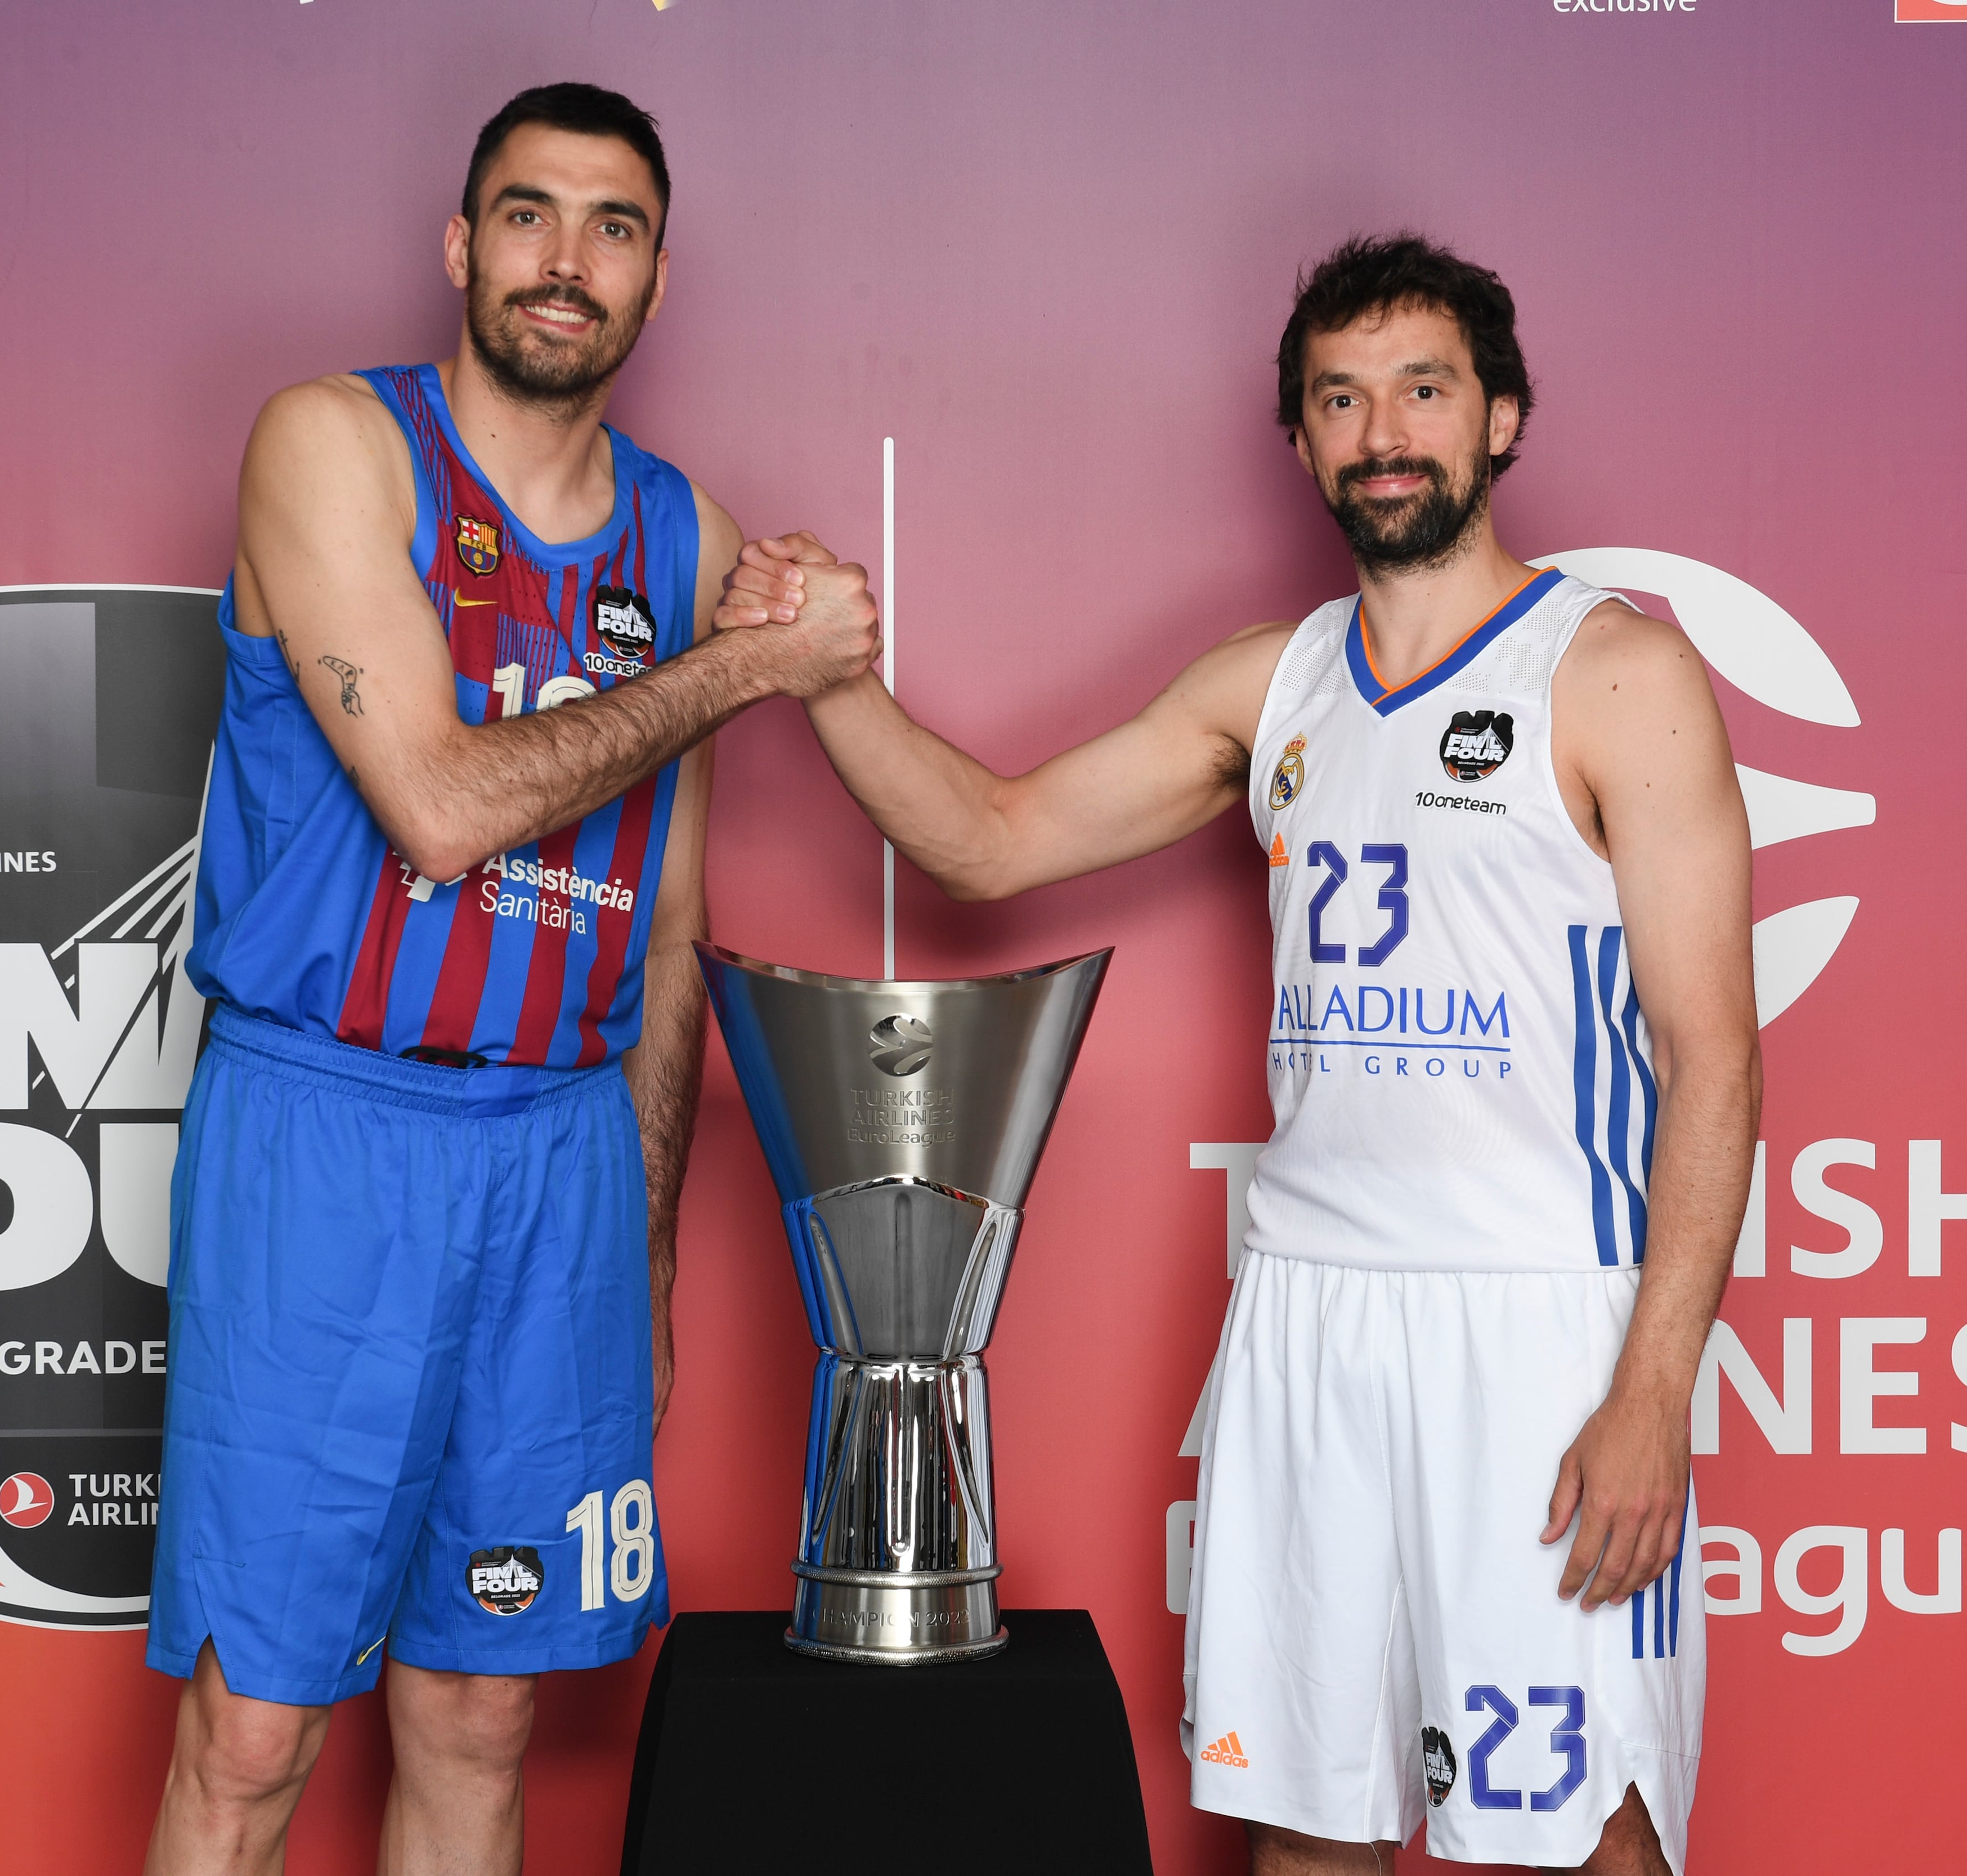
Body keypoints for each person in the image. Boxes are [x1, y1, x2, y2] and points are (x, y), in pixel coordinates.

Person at [717, 234, 1758, 1874]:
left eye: (1423, 389)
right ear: (1302, 443)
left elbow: (1714, 1064)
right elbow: (989, 840)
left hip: (1537, 1327)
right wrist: (823, 679)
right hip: (1308, 1323)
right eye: (1340, 400)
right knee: (1303, 1831)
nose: (1382, 431)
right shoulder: (1270, 690)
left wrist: (1652, 1387)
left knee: (1580, 1844)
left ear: (1503, 419)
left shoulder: (1622, 674)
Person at [142, 83, 876, 1875]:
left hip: (556, 1158)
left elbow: (670, 916)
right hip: (329, 1128)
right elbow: (447, 808)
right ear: (463, 247)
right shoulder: (335, 444)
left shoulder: (681, 531)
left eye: (612, 227)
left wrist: (635, 1242)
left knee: (484, 1711)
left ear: (654, 276)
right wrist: (741, 671)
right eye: (531, 216)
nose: (568, 260)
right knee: (253, 1729)